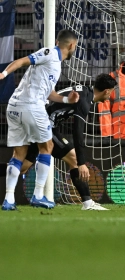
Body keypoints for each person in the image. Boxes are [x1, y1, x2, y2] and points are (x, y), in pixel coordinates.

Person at [0, 29, 79, 211]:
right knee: (48, 147)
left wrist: (67, 100)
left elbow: (48, 92)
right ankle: (37, 195)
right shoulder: (50, 53)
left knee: (19, 154)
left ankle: (9, 200)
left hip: (14, 107)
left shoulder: (55, 63)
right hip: (31, 106)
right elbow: (22, 61)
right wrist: (3, 74)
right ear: (71, 45)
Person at [17, 73, 117, 211]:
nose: (110, 96)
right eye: (111, 92)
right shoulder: (84, 101)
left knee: (22, 166)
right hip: (43, 123)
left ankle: (88, 203)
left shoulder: (84, 92)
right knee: (74, 159)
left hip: (40, 122)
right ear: (107, 91)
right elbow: (77, 132)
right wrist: (82, 164)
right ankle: (87, 203)